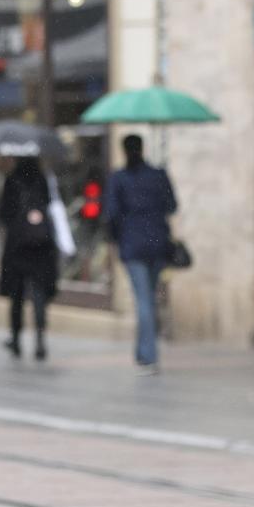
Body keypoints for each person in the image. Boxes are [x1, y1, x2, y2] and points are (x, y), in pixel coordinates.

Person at [104, 134, 178, 375]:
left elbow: (112, 214)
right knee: (149, 298)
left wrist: (116, 239)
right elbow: (172, 206)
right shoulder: (157, 175)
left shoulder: (119, 178)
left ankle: (149, 356)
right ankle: (142, 351)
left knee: (144, 300)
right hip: (157, 243)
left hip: (133, 244)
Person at [0, 156, 59, 362]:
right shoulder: (42, 179)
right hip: (40, 247)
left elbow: (3, 215)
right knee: (39, 295)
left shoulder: (11, 180)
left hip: (17, 247)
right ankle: (40, 340)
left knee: (17, 296)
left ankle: (15, 339)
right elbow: (49, 206)